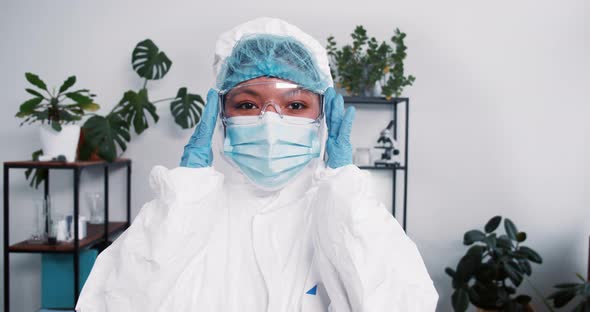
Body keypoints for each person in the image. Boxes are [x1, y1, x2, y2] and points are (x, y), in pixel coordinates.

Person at [75, 17, 438, 312]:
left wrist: (342, 189)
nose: (270, 122)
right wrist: (186, 192)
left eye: (295, 106)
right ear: (220, 113)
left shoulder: (348, 213)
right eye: (247, 105)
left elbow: (400, 302)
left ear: (323, 115)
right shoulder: (182, 213)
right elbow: (116, 302)